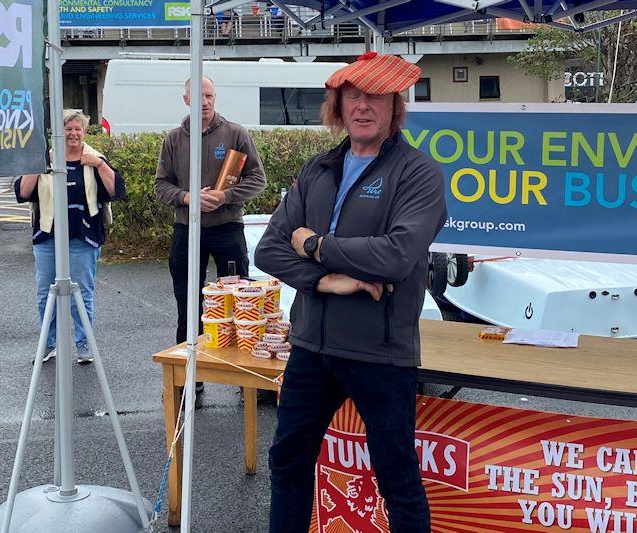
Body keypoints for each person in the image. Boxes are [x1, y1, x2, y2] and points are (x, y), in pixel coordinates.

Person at [255, 53, 448, 532]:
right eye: (352, 96)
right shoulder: (318, 168)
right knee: (288, 463)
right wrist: (323, 278)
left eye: (375, 97)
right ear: (337, 105)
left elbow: (397, 256)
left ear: (394, 106)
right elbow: (269, 249)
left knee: (397, 478)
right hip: (310, 347)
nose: (363, 107)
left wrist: (316, 245)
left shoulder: (417, 172)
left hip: (380, 353)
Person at [155, 76, 266, 391]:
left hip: (227, 228)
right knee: (187, 302)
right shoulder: (174, 139)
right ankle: (190, 372)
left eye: (210, 95)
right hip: (186, 229)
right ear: (186, 99)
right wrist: (188, 197)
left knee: (241, 302)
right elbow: (161, 185)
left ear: (215, 98)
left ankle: (247, 376)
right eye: (198, 96)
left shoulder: (235, 134)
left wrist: (225, 196)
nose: (205, 102)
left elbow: (258, 179)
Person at [15, 109, 125, 365]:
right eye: (67, 129)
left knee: (82, 293)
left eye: (77, 129)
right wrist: (39, 166)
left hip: (83, 236)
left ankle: (84, 343)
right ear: (58, 133)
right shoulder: (43, 159)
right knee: (46, 293)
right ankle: (48, 343)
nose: (73, 133)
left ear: (84, 132)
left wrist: (99, 164)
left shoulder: (96, 159)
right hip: (47, 236)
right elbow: (21, 192)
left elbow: (116, 190)